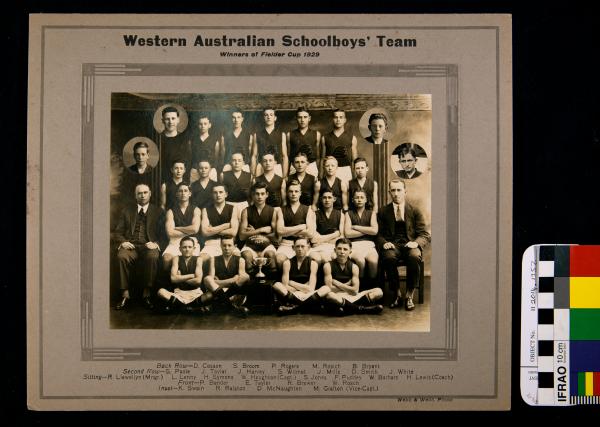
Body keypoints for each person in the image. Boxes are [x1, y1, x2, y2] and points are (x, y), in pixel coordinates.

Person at [377, 179, 430, 311]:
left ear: (405, 192)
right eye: (393, 190)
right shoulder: (383, 211)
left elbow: (424, 234)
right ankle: (397, 294)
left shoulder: (415, 210)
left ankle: (409, 295)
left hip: (410, 244)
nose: (396, 193)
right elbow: (378, 234)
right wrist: (384, 243)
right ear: (389, 192)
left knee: (414, 256)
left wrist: (416, 243)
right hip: (392, 245)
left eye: (399, 190)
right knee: (388, 258)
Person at [113, 184, 162, 310]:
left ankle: (147, 294)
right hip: (131, 246)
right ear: (135, 195)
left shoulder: (158, 211)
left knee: (153, 256)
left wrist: (156, 243)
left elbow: (164, 235)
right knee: (122, 256)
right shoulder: (127, 210)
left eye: (145, 192)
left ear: (150, 194)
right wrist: (123, 242)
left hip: (148, 245)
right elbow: (117, 232)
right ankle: (125, 294)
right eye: (140, 193)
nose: (143, 195)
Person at [322, 238, 384, 315]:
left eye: (345, 249)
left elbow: (355, 291)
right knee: (329, 295)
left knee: (379, 291)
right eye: (339, 249)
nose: (342, 252)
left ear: (350, 252)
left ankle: (346, 307)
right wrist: (348, 285)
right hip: (337, 296)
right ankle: (360, 309)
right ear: (335, 250)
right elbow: (330, 289)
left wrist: (337, 283)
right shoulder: (328, 265)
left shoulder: (354, 267)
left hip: (351, 296)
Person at [156, 236, 214, 313]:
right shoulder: (176, 258)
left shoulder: (198, 259)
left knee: (210, 294)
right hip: (180, 293)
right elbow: (173, 279)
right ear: (180, 249)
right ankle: (191, 308)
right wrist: (191, 275)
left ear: (194, 248)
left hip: (195, 293)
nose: (187, 249)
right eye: (184, 247)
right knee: (161, 292)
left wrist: (179, 277)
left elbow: (198, 281)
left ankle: (180, 307)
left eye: (190, 247)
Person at [273, 238, 329, 315]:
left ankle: (295, 307)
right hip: (293, 294)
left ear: (308, 248)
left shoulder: (313, 263)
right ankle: (306, 306)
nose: (300, 249)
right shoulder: (287, 263)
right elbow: (285, 286)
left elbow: (311, 288)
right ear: (293, 248)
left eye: (303, 246)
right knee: (277, 285)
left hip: (306, 294)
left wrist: (291, 282)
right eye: (297, 246)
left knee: (326, 288)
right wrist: (302, 288)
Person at [203, 237, 250, 316]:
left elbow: (241, 279)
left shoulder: (240, 260)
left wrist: (219, 282)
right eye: (224, 245)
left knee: (245, 276)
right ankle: (232, 307)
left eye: (229, 245)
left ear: (235, 246)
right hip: (217, 290)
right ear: (220, 246)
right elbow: (210, 281)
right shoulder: (213, 259)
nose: (226, 248)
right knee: (207, 278)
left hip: (234, 292)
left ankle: (221, 302)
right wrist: (232, 279)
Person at [239, 181, 278, 276]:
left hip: (267, 245)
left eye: (262, 194)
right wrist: (261, 230)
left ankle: (270, 287)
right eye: (257, 194)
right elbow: (241, 236)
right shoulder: (246, 211)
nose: (260, 196)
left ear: (267, 195)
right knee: (246, 256)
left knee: (271, 256)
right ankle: (251, 287)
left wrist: (253, 232)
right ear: (252, 195)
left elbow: (276, 237)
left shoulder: (273, 211)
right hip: (250, 245)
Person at [275, 180, 316, 269]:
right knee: (279, 259)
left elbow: (310, 233)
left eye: (296, 191)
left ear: (300, 193)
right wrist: (301, 227)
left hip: (303, 243)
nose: (293, 194)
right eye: (291, 191)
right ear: (287, 193)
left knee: (316, 258)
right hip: (287, 244)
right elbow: (280, 231)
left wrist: (288, 231)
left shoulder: (307, 209)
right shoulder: (281, 210)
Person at [162, 183, 201, 271]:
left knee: (192, 261)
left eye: (185, 190)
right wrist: (188, 230)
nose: (183, 193)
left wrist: (177, 228)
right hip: (175, 242)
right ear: (177, 194)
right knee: (166, 258)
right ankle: (169, 284)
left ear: (190, 193)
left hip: (191, 242)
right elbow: (170, 233)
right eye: (180, 191)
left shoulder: (196, 209)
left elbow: (195, 229)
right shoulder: (170, 211)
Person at [344, 190, 379, 283]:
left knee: (373, 261)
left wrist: (356, 227)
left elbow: (375, 231)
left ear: (366, 200)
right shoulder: (348, 214)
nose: (359, 200)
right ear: (352, 200)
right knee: (360, 261)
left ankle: (372, 286)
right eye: (357, 197)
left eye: (362, 197)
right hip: (354, 245)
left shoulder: (371, 213)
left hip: (369, 245)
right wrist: (368, 230)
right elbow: (348, 233)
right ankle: (360, 286)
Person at [199, 184, 240, 262]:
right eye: (215, 192)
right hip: (211, 243)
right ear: (212, 194)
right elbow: (204, 232)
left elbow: (233, 232)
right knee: (200, 260)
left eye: (221, 192)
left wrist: (211, 230)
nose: (218, 195)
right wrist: (226, 225)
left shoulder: (233, 208)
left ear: (226, 194)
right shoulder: (205, 210)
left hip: (228, 242)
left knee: (239, 258)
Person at [321, 109, 357, 183]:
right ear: (332, 119)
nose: (338, 120)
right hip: (330, 171)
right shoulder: (325, 137)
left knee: (345, 194)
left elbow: (354, 161)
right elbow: (322, 159)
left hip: (345, 170)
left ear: (345, 120)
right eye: (336, 117)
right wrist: (321, 175)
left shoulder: (352, 138)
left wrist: (355, 178)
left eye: (341, 117)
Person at [252, 107, 288, 178]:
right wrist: (253, 174)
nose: (268, 117)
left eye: (271, 115)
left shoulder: (281, 134)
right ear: (263, 118)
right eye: (266, 115)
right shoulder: (257, 134)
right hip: (261, 167)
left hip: (276, 167)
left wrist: (284, 175)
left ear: (275, 118)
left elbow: (285, 156)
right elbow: (254, 156)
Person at [310, 190, 344, 265]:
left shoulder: (340, 214)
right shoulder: (315, 214)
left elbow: (341, 238)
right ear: (321, 199)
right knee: (325, 259)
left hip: (333, 246)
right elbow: (313, 239)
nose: (327, 200)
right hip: (320, 247)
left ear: (334, 199)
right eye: (324, 198)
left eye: (329, 197)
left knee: (335, 257)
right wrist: (334, 235)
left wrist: (321, 239)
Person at [159, 106, 191, 182]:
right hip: (162, 179)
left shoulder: (185, 139)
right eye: (167, 119)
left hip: (181, 180)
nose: (170, 122)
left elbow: (188, 162)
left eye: (173, 118)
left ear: (178, 120)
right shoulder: (158, 139)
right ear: (163, 121)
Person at [287, 107, 321, 177]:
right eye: (300, 117)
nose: (302, 120)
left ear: (309, 118)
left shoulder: (317, 134)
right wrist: (286, 173)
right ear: (296, 118)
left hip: (311, 166)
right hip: (295, 166)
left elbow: (318, 157)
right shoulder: (290, 134)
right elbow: (288, 156)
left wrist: (319, 172)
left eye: (305, 117)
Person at [221, 152, 252, 219]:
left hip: (243, 205)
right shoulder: (224, 175)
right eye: (234, 160)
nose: (236, 163)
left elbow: (252, 194)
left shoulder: (249, 176)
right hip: (228, 204)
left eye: (239, 160)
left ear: (243, 163)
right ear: (230, 162)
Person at [221, 108, 252, 173]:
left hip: (244, 166)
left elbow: (250, 152)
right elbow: (223, 153)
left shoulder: (248, 134)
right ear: (231, 119)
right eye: (234, 118)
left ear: (242, 119)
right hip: (229, 165)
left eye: (238, 117)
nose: (236, 120)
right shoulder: (225, 134)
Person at [191, 113, 219, 181]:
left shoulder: (215, 141)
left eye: (205, 123)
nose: (203, 126)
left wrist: (212, 168)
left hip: (210, 170)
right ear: (198, 125)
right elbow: (190, 156)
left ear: (209, 125)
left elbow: (216, 157)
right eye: (200, 124)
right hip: (196, 170)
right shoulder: (193, 140)